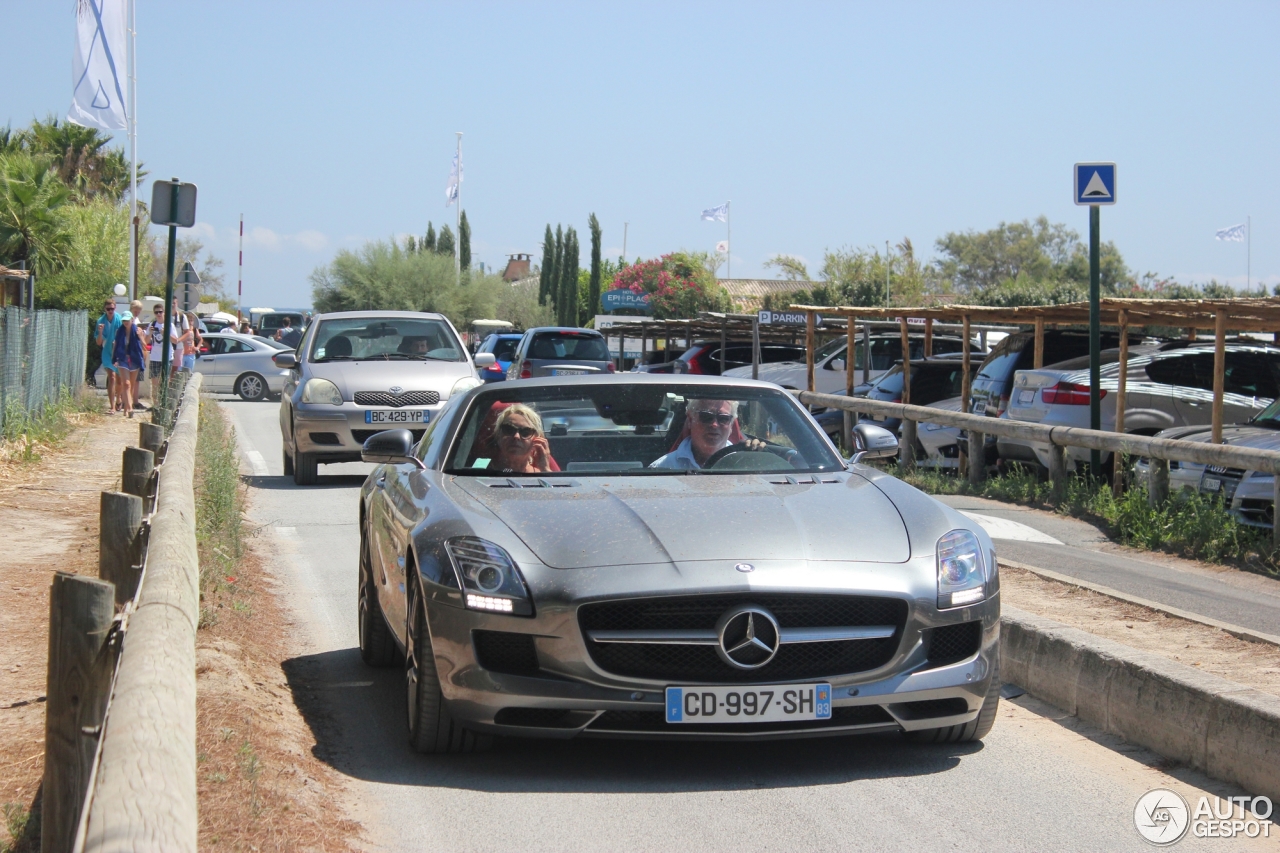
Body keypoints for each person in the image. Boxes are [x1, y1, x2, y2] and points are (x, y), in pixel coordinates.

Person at [650, 398, 765, 469]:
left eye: (723, 418)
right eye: (706, 416)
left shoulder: (745, 462)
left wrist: (759, 458)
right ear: (690, 420)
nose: (714, 424)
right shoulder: (662, 468)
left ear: (731, 426)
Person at [485, 404, 554, 474]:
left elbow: (551, 485)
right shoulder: (480, 472)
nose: (516, 436)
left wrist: (545, 469)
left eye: (525, 432)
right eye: (509, 429)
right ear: (498, 435)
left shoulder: (541, 475)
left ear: (536, 440)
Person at [112, 312, 146, 417]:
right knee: (126, 384)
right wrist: (114, 358)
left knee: (130, 386)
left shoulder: (138, 331)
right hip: (123, 359)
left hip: (134, 359)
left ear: (132, 319)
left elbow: (145, 345)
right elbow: (116, 345)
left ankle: (126, 408)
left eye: (127, 320)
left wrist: (140, 336)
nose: (125, 322)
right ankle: (130, 408)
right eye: (124, 320)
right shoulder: (119, 331)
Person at [146, 303, 181, 400]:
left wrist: (166, 333)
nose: (158, 314)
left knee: (165, 382)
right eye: (156, 312)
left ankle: (164, 404)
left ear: (164, 312)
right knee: (155, 384)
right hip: (154, 357)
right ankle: (156, 407)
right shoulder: (152, 325)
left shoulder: (170, 325)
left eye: (160, 312)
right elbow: (145, 341)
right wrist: (150, 333)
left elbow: (176, 340)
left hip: (167, 357)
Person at [95, 299, 123, 412]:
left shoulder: (120, 320)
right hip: (107, 352)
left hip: (118, 352)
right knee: (111, 377)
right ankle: (112, 406)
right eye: (108, 309)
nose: (110, 311)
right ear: (105, 309)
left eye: (112, 308)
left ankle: (119, 399)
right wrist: (100, 332)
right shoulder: (100, 321)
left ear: (115, 308)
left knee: (120, 381)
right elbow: (98, 342)